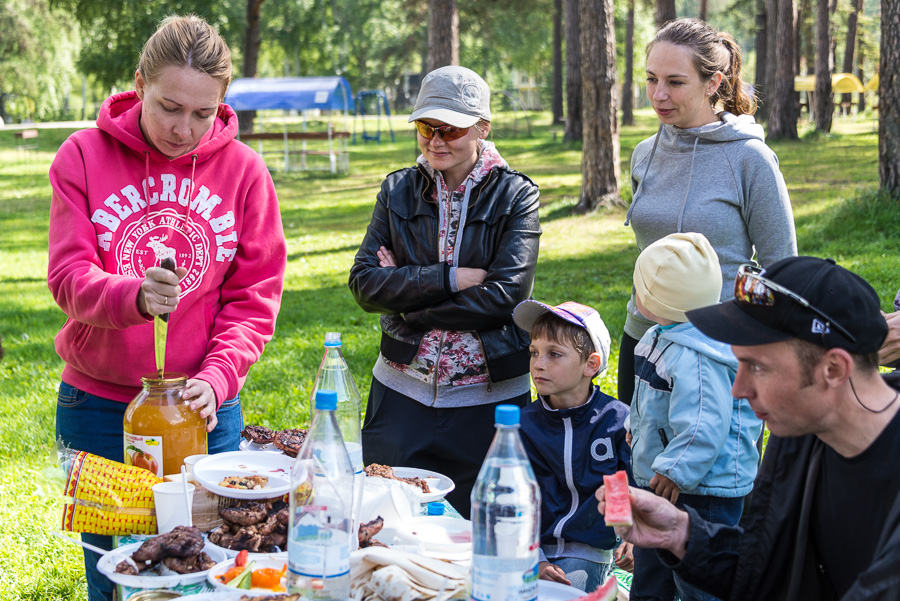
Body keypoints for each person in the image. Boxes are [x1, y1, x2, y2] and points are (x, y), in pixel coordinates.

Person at [48, 15, 286, 601]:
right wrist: (130, 295)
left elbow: (253, 298)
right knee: (118, 576)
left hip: (204, 407)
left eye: (203, 114)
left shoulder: (246, 173)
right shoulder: (82, 155)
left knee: (210, 573)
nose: (184, 129)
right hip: (100, 405)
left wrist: (218, 375)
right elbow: (68, 277)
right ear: (139, 84)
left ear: (223, 104)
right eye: (169, 107)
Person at [597, 256, 900, 600]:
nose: (738, 389)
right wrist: (680, 532)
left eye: (757, 367)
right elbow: (770, 571)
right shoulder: (799, 435)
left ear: (833, 369)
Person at [348, 66, 541, 517]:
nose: (435, 140)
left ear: (482, 127)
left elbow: (507, 296)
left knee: (484, 534)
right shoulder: (396, 189)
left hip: (490, 403)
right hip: (400, 395)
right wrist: (451, 278)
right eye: (425, 126)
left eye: (450, 128)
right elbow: (364, 284)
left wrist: (413, 305)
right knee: (388, 526)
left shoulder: (517, 195)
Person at [618, 17, 797, 406]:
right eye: (651, 79)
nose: (658, 95)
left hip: (717, 347)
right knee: (639, 461)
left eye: (675, 82)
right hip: (644, 337)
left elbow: (782, 267)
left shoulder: (750, 158)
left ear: (713, 83)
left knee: (716, 467)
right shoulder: (644, 154)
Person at [629, 233, 762, 601]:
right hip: (666, 478)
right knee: (652, 569)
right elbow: (648, 396)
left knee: (698, 579)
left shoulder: (697, 356)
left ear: (653, 300)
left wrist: (675, 470)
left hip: (703, 488)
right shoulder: (663, 336)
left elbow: (705, 422)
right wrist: (633, 428)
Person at [511, 300, 632, 592]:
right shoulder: (521, 425)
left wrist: (630, 536)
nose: (539, 363)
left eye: (554, 354)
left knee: (568, 590)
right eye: (534, 352)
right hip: (525, 549)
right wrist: (535, 560)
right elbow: (513, 497)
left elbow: (620, 485)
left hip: (586, 551)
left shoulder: (616, 421)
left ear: (591, 364)